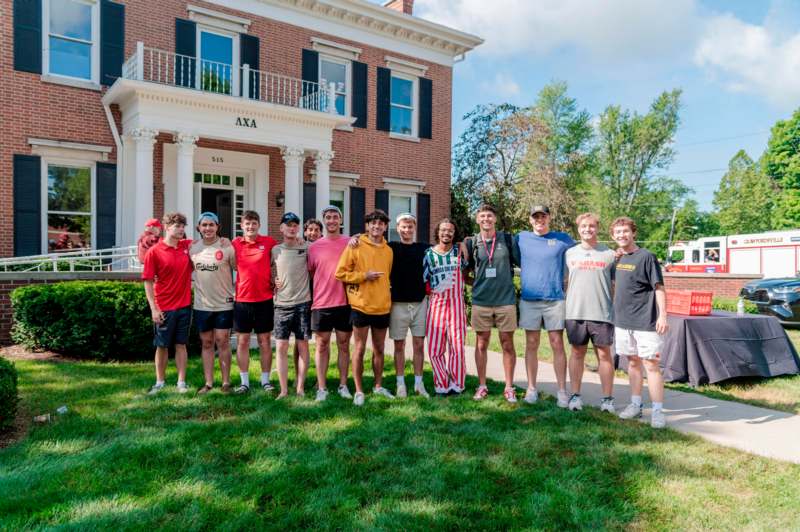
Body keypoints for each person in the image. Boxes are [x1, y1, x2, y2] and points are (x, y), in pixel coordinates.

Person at [353, 213, 429, 398]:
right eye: (404, 226)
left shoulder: (424, 248)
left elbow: (445, 247)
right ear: (397, 228)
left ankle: (419, 384)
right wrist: (356, 238)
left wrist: (465, 242)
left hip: (419, 303)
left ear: (415, 228)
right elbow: (371, 242)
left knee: (419, 345)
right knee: (399, 346)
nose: (407, 230)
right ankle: (400, 383)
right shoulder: (390, 248)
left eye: (410, 226)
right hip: (397, 304)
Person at [611, 216, 668, 429]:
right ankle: (635, 405)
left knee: (651, 365)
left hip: (646, 322)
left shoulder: (647, 257)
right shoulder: (617, 258)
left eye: (625, 231)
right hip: (623, 321)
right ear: (613, 236)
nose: (622, 235)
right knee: (632, 363)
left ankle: (657, 411)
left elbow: (659, 288)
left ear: (633, 233)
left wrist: (663, 315)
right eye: (618, 233)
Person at [515, 205, 575, 407]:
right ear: (530, 220)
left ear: (549, 218)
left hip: (555, 299)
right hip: (529, 299)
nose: (539, 220)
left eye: (543, 216)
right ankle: (531, 388)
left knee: (557, 343)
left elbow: (582, 252)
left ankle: (562, 391)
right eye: (535, 217)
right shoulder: (521, 238)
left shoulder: (563, 239)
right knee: (531, 344)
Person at [335, 209, 394, 406]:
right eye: (373, 223)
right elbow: (340, 273)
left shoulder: (388, 250)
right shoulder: (356, 244)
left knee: (379, 349)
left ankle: (378, 386)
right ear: (367, 226)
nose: (376, 226)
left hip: (382, 306)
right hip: (360, 306)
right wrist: (363, 276)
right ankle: (359, 391)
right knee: (359, 349)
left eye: (381, 223)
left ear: (385, 227)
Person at [464, 204, 518, 402]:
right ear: (477, 220)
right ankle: (482, 385)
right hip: (481, 302)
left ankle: (509, 387)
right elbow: (464, 273)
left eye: (489, 216)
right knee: (481, 343)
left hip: (505, 301)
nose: (486, 219)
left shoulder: (507, 240)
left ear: (495, 219)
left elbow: (522, 262)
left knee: (507, 344)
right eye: (482, 216)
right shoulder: (472, 243)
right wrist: (478, 284)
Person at [564, 213, 616, 412]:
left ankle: (607, 399)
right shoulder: (570, 254)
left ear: (598, 228)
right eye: (584, 226)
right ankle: (575, 396)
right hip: (575, 312)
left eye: (592, 226)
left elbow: (615, 284)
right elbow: (565, 281)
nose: (588, 229)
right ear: (578, 229)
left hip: (602, 313)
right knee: (577, 353)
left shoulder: (610, 254)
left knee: (604, 355)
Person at [142, 212, 193, 394]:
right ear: (166, 227)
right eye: (177, 226)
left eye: (182, 226)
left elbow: (209, 242)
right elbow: (147, 281)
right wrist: (153, 308)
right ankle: (160, 382)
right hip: (164, 307)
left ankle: (181, 382)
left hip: (184, 305)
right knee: (162, 345)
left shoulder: (187, 247)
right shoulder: (154, 252)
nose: (181, 230)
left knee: (181, 344)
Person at [308, 206, 353, 402]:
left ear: (340, 220)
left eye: (335, 217)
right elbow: (312, 273)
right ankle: (322, 387)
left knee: (344, 345)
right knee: (321, 345)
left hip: (345, 302)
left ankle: (343, 385)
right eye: (328, 217)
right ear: (324, 221)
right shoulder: (314, 247)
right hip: (321, 303)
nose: (332, 220)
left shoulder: (351, 242)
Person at [231, 210, 278, 394]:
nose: (251, 227)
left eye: (254, 223)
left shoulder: (269, 243)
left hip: (264, 299)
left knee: (264, 340)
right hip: (242, 300)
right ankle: (244, 382)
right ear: (242, 226)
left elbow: (281, 257)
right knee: (242, 341)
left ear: (259, 225)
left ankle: (265, 380)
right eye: (247, 224)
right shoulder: (235, 244)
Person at [190, 212, 237, 394]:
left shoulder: (227, 247)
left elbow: (241, 268)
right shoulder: (193, 249)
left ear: (218, 227)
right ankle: (208, 383)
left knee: (222, 341)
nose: (208, 228)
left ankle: (226, 382)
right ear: (199, 228)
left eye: (211, 225)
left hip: (224, 304)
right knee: (207, 342)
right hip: (202, 304)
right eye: (204, 225)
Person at [423, 218, 468, 395]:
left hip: (456, 304)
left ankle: (457, 383)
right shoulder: (428, 254)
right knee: (435, 348)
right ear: (438, 232)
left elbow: (468, 270)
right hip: (436, 306)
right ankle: (441, 383)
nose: (446, 233)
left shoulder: (460, 252)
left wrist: (464, 242)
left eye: (450, 230)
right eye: (443, 230)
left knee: (457, 346)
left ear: (454, 233)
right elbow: (425, 280)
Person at [272, 212, 312, 398]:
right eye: (288, 224)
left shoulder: (307, 247)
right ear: (281, 228)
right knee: (281, 347)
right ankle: (284, 390)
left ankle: (300, 388)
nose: (292, 227)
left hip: (303, 304)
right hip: (281, 305)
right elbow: (262, 271)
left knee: (303, 346)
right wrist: (273, 282)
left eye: (295, 224)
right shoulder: (275, 250)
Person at [293, 218, 323, 372]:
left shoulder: (324, 247)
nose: (313, 232)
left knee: (321, 339)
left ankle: (320, 378)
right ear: (305, 232)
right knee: (300, 338)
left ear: (321, 232)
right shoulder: (299, 246)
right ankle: (298, 375)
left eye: (316, 230)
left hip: (320, 295)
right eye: (310, 229)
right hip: (301, 295)